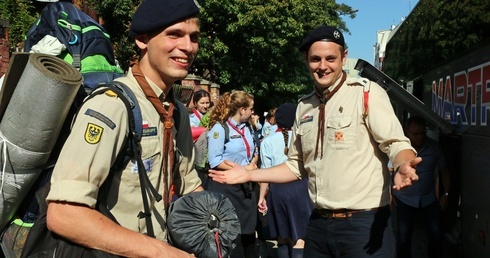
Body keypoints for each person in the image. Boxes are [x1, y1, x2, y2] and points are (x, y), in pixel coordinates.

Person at [209, 25, 422, 257]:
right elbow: (295, 166)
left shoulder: (366, 94)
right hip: (318, 225)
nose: (323, 66)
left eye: (331, 58)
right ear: (306, 60)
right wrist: (250, 175)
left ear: (344, 57)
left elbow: (396, 143)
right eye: (315, 59)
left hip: (364, 224)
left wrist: (403, 163)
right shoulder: (304, 106)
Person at [45, 0, 203, 257]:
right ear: (142, 40)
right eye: (174, 34)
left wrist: (216, 222)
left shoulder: (177, 113)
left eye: (193, 37)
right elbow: (64, 214)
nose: (188, 47)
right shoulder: (112, 106)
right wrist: (162, 252)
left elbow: (188, 187)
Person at [206, 91, 259, 258]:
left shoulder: (249, 127)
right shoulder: (220, 128)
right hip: (227, 188)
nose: (253, 112)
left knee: (249, 231)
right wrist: (241, 170)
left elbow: (253, 150)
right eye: (250, 108)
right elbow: (214, 160)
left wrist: (253, 162)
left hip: (246, 186)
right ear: (242, 110)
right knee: (232, 234)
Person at [258, 103, 313, 258]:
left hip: (277, 191)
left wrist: (262, 197)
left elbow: (265, 173)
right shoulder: (303, 138)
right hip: (301, 189)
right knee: (299, 237)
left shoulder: (267, 141)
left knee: (282, 236)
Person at [393, 116, 451, 258]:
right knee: (403, 238)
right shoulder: (399, 151)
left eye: (422, 133)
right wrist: (389, 195)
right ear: (407, 132)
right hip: (404, 199)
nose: (420, 137)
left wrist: (447, 193)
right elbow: (388, 171)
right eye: (415, 134)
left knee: (436, 236)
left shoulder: (434, 148)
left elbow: (445, 170)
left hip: (428, 199)